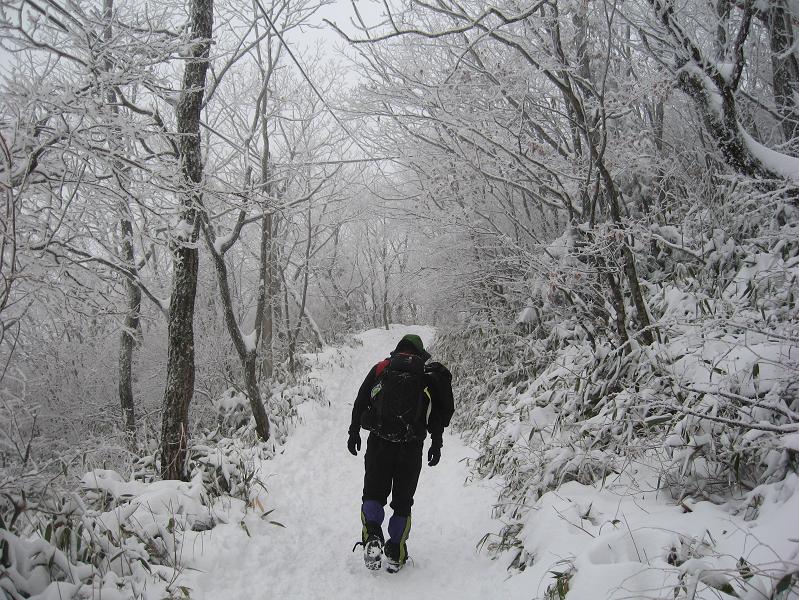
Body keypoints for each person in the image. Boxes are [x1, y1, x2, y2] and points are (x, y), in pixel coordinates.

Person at [348, 333, 454, 573]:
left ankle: (373, 534)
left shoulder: (382, 368)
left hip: (379, 443)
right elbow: (436, 417)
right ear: (419, 353)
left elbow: (360, 401)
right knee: (402, 504)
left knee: (373, 494)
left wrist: (353, 432)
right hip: (411, 447)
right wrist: (436, 444)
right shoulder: (426, 377)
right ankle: (396, 551)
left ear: (399, 350)